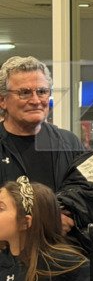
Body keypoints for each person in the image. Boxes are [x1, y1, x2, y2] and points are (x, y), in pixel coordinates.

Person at [0, 56, 84, 233]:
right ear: (3, 100)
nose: (36, 100)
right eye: (24, 92)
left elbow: (87, 197)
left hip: (62, 252)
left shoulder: (68, 143)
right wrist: (44, 222)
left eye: (42, 91)